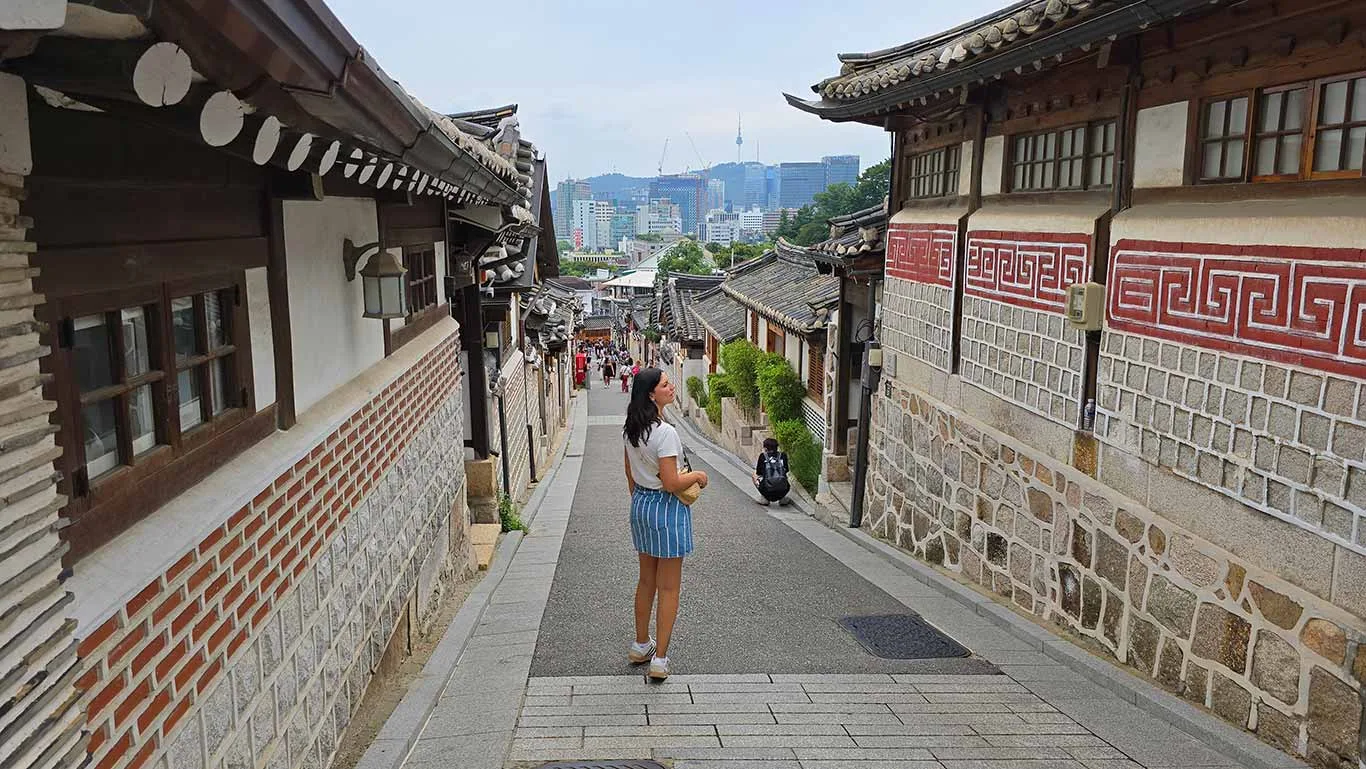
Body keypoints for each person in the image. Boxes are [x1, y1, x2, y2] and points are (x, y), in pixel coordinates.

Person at [622, 368, 708, 681]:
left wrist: (642, 498)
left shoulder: (632, 429)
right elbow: (672, 482)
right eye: (665, 384)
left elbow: (629, 473)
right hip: (667, 510)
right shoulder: (665, 432)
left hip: (641, 504)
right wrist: (698, 476)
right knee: (668, 586)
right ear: (650, 394)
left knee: (646, 581)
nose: (671, 387)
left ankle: (640, 644)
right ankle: (659, 660)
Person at [753, 437, 791, 506]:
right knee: (784, 476)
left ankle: (765, 498)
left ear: (765, 448)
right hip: (784, 490)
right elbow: (786, 470)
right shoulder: (783, 455)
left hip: (767, 490)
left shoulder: (763, 456)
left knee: (754, 474)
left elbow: (759, 472)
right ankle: (782, 499)